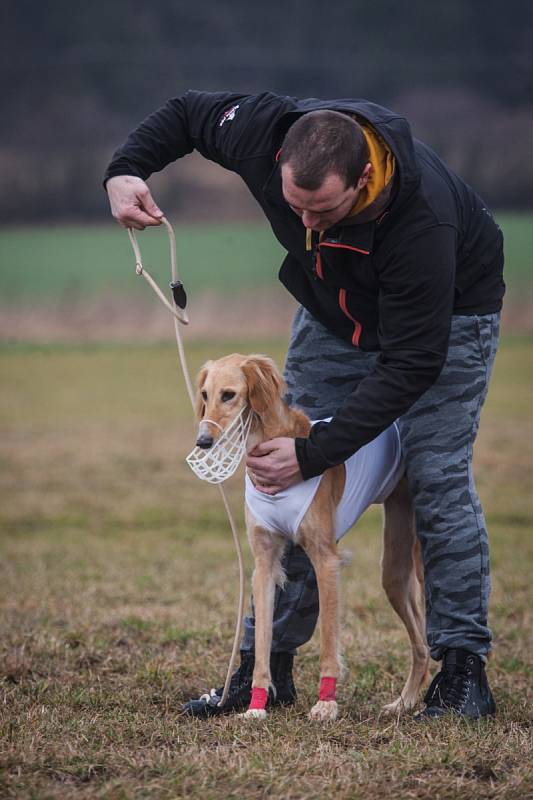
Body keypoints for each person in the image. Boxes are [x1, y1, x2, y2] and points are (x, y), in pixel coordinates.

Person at [104, 91, 504, 720]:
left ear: (366, 178)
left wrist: (317, 450)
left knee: (435, 475)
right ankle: (266, 671)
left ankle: (460, 673)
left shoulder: (424, 222)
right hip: (332, 307)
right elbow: (184, 114)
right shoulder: (265, 130)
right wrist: (126, 169)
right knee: (277, 463)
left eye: (324, 210)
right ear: (280, 160)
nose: (308, 225)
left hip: (444, 320)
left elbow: (411, 365)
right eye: (295, 207)